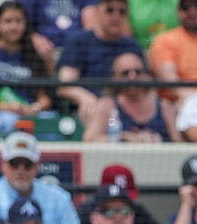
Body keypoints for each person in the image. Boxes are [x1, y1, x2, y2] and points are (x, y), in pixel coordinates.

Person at [56, 0, 144, 128]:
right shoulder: (79, 41)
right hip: (91, 109)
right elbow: (64, 86)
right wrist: (85, 97)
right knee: (106, 121)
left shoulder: (132, 46)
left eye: (121, 12)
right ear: (97, 12)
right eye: (110, 10)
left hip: (126, 109)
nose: (116, 16)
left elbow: (146, 84)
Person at [0, 131, 81, 224]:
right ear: (3, 165)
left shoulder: (59, 197)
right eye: (14, 163)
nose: (21, 170)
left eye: (27, 164)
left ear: (37, 166)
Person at [0, 1, 53, 137]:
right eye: (8, 21)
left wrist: (33, 108)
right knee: (8, 122)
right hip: (1, 113)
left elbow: (44, 97)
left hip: (30, 112)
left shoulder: (33, 54)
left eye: (18, 21)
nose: (13, 27)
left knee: (52, 123)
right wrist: (10, 108)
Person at [83, 51, 178, 143]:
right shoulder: (107, 105)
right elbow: (90, 139)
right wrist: (123, 138)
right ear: (116, 78)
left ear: (146, 75)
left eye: (138, 72)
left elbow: (179, 143)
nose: (132, 77)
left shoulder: (164, 107)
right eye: (125, 73)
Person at [76, 164, 165, 224]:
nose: (118, 216)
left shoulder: (137, 210)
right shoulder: (85, 212)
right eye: (108, 211)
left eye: (124, 210)